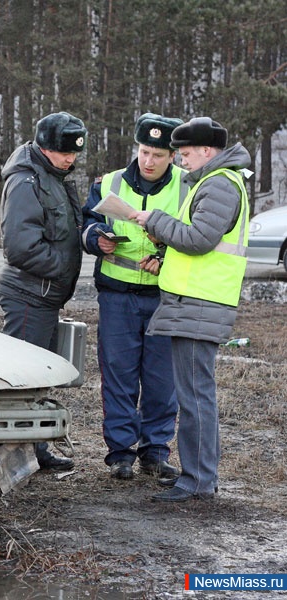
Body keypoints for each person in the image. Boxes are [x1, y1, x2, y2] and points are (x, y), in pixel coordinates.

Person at [130, 117, 251, 502]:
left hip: (201, 304)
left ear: (207, 151)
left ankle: (198, 480)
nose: (180, 161)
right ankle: (197, 473)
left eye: (183, 154)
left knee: (196, 397)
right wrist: (164, 243)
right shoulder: (211, 182)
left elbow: (199, 240)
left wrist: (156, 221)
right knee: (194, 394)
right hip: (193, 302)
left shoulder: (218, 183)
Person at [82, 113, 185, 481]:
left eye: (158, 154)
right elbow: (87, 223)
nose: (149, 160)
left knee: (161, 379)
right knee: (118, 375)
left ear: (172, 155)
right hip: (117, 296)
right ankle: (121, 453)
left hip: (164, 297)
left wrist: (165, 258)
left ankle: (155, 452)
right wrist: (96, 238)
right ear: (136, 149)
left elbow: (195, 238)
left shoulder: (187, 188)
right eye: (144, 151)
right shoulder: (109, 183)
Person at [0, 111, 86, 470]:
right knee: (20, 380)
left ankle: (34, 450)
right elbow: (19, 247)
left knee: (38, 379)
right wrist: (65, 266)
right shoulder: (25, 181)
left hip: (46, 295)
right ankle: (11, 455)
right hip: (29, 294)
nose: (71, 159)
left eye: (75, 152)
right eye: (64, 152)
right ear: (43, 146)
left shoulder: (56, 177)